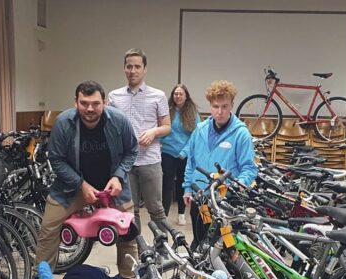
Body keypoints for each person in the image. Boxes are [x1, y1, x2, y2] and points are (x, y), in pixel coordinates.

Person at [27, 80, 139, 279]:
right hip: (71, 188)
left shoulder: (119, 121)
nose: (90, 109)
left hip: (112, 187)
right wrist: (81, 185)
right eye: (84, 103)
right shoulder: (63, 122)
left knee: (128, 233)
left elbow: (131, 151)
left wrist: (118, 175)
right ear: (75, 102)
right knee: (48, 229)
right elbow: (56, 159)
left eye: (95, 103)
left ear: (105, 102)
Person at [183, 80, 259, 244]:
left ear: (232, 105)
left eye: (224, 106)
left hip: (224, 203)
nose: (220, 111)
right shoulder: (200, 130)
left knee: (223, 245)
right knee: (201, 239)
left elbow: (249, 168)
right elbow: (192, 162)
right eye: (216, 106)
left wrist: (239, 184)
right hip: (202, 199)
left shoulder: (241, 134)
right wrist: (187, 188)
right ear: (210, 106)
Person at [108, 48, 170, 227]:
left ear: (145, 69)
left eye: (137, 66)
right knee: (129, 211)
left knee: (156, 209)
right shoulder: (114, 96)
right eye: (129, 66)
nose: (132, 71)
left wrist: (153, 132)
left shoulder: (158, 96)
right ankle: (136, 249)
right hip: (125, 164)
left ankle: (162, 251)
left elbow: (167, 127)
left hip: (150, 160)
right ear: (124, 69)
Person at [160, 84, 197, 224]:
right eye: (175, 94)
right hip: (167, 152)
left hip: (184, 155)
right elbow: (161, 128)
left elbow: (195, 135)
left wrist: (185, 152)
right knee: (167, 184)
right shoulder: (167, 110)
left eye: (181, 94)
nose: (178, 96)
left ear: (186, 96)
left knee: (182, 184)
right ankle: (164, 215)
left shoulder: (192, 113)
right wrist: (160, 143)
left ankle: (181, 214)